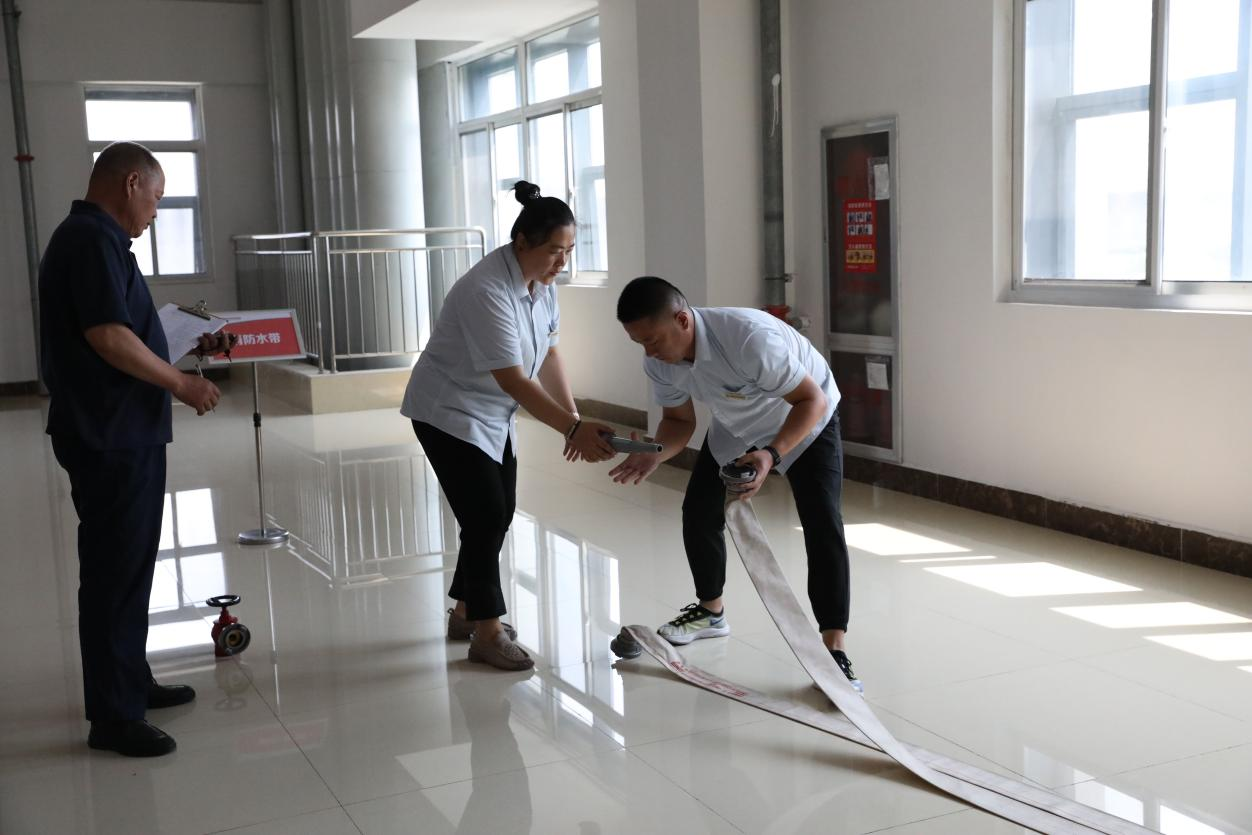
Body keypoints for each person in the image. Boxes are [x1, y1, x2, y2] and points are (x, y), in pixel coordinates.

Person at [40, 141, 234, 757]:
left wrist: (186, 345)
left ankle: (130, 681)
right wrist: (181, 383)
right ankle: (114, 716)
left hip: (121, 429)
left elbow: (125, 333)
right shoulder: (90, 240)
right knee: (114, 573)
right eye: (155, 198)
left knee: (129, 567)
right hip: (109, 433)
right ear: (130, 183)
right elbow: (108, 336)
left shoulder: (98, 240)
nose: (155, 212)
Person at [609, 276, 863, 692]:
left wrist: (771, 454)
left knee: (822, 521)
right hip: (738, 420)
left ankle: (833, 647)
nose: (649, 352)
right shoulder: (658, 361)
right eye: (639, 343)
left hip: (805, 416)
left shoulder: (747, 339)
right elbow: (678, 421)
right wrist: (655, 452)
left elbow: (811, 400)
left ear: (682, 320)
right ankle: (711, 612)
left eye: (652, 340)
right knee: (699, 510)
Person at [402, 180, 615, 671]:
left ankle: (465, 612)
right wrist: (570, 430)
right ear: (522, 241)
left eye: (569, 251)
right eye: (554, 251)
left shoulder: (542, 285)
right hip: (447, 411)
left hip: (492, 412)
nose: (562, 262)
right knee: (484, 515)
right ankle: (487, 631)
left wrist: (573, 418)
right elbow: (514, 378)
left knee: (497, 513)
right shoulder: (486, 289)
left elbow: (550, 354)